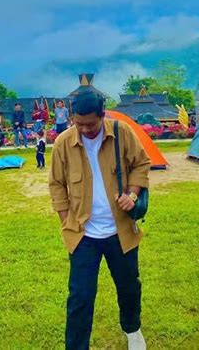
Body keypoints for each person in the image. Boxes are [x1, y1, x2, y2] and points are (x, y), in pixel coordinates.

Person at [49, 89, 151, 350]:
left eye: (91, 124)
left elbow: (141, 163)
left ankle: (133, 330)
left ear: (102, 115)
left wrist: (132, 194)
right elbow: (56, 184)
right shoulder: (63, 143)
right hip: (83, 234)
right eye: (79, 124)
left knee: (129, 287)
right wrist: (66, 220)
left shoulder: (121, 133)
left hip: (120, 231)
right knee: (80, 297)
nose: (85, 129)